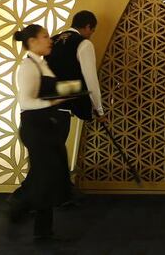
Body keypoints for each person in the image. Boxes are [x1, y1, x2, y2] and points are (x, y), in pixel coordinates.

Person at [7, 24, 71, 242]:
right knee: (45, 177)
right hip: (35, 127)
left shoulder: (42, 64)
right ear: (32, 42)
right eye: (45, 37)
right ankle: (22, 213)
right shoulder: (28, 67)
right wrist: (54, 101)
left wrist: (73, 89)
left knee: (45, 176)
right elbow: (25, 101)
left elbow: (48, 91)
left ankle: (28, 216)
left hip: (46, 125)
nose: (50, 39)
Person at [45, 10, 104, 206]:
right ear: (87, 26)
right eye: (93, 30)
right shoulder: (83, 44)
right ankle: (28, 197)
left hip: (42, 104)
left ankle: (62, 193)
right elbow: (90, 80)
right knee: (55, 153)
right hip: (63, 107)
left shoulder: (51, 41)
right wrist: (99, 108)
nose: (91, 34)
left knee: (53, 152)